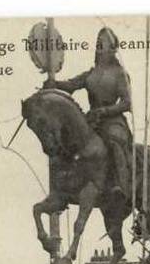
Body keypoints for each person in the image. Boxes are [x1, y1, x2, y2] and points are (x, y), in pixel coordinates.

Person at [45, 26, 133, 203]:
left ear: (112, 47)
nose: (100, 44)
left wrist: (106, 111)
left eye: (104, 41)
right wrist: (53, 83)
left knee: (113, 140)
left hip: (113, 120)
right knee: (69, 140)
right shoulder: (91, 74)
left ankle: (118, 184)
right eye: (98, 41)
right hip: (92, 120)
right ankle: (64, 186)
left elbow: (126, 102)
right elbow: (72, 85)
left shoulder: (119, 74)